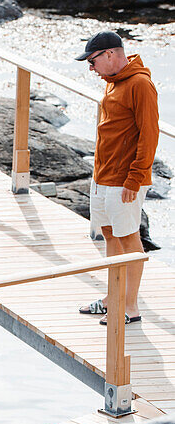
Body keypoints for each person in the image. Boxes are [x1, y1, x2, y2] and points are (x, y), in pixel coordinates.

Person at [75, 31, 159, 326]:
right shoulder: (112, 84)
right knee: (110, 235)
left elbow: (149, 135)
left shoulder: (140, 84)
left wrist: (134, 179)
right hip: (103, 176)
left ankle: (130, 307)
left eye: (92, 60)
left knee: (129, 238)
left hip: (125, 181)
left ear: (110, 54)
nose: (91, 67)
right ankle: (112, 299)